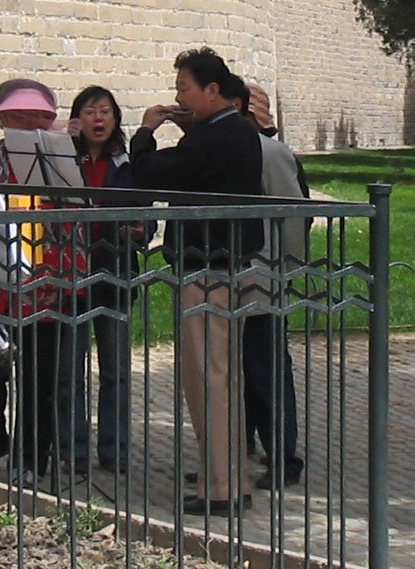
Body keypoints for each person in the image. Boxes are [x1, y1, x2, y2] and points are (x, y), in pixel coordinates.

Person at [129, 47, 263, 516]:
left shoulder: (219, 137)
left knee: (208, 379)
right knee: (221, 378)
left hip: (208, 271)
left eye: (184, 89)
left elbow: (152, 175)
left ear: (212, 90)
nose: (178, 97)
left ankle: (223, 490)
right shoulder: (230, 133)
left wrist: (145, 132)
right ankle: (228, 479)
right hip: (227, 266)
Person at [0, 78, 83, 484]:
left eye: (37, 117)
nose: (27, 123)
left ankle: (31, 460)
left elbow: (79, 211)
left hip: (49, 282)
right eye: (17, 117)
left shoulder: (64, 157)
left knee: (40, 379)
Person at [56, 85, 153, 475]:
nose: (99, 119)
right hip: (70, 275)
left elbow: (147, 217)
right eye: (91, 111)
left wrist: (139, 231)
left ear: (115, 119)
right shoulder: (61, 161)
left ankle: (115, 450)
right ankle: (72, 450)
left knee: (116, 371)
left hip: (115, 272)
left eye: (106, 112)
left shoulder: (128, 164)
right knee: (69, 370)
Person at [225, 81, 307, 490]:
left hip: (263, 275)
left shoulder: (272, 154)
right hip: (223, 277)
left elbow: (293, 215)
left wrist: (284, 275)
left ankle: (283, 457)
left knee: (267, 369)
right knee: (232, 370)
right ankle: (231, 455)